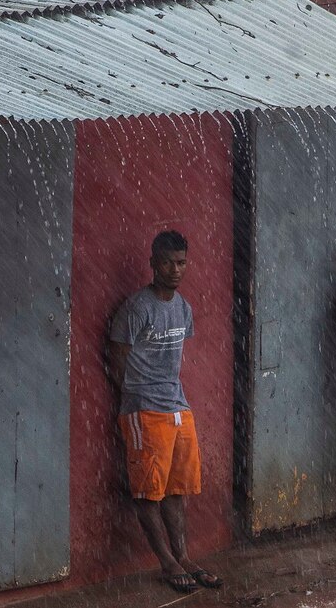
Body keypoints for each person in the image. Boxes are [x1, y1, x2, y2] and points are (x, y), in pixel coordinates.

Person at [108, 230, 223, 593]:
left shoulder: (183, 308)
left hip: (179, 408)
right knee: (148, 493)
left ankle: (184, 556)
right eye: (169, 263)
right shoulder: (136, 308)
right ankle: (167, 563)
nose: (176, 270)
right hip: (145, 411)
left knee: (176, 490)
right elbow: (117, 362)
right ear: (153, 264)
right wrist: (139, 400)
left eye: (182, 262)